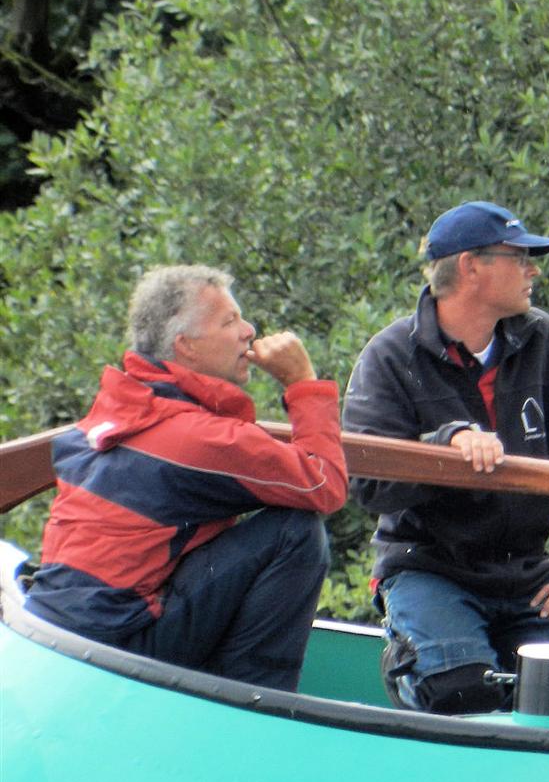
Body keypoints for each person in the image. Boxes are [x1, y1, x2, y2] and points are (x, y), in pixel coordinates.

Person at [343, 200, 549, 718]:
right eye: (520, 258)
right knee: (459, 691)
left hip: (526, 574)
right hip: (428, 569)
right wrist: (445, 448)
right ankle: (416, 665)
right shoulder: (389, 355)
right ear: (470, 266)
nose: (534, 271)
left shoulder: (544, 339)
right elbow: (367, 485)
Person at [25, 264, 346, 690]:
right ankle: (251, 703)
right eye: (229, 321)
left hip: (49, 630)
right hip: (117, 648)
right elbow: (324, 484)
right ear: (186, 346)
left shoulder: (118, 408)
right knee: (296, 530)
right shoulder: (199, 439)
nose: (248, 331)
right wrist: (302, 382)